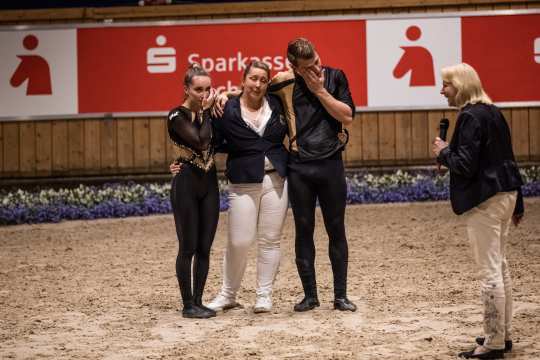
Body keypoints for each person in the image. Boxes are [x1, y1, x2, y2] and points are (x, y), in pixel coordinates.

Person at [215, 38, 356, 312]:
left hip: (331, 164)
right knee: (303, 230)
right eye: (308, 66)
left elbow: (347, 116)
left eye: (316, 60)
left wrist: (320, 91)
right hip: (299, 166)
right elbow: (255, 92)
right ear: (294, 67)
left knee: (336, 229)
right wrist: (228, 94)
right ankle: (310, 296)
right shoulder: (282, 82)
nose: (317, 68)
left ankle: (340, 296)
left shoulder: (336, 76)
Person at [172, 61, 289, 313]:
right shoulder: (224, 109)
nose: (257, 84)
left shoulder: (278, 104)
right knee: (239, 241)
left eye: (262, 80)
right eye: (253, 78)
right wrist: (180, 161)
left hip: (276, 179)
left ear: (268, 83)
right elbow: (206, 141)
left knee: (270, 240)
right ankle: (228, 294)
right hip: (243, 180)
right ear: (243, 80)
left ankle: (264, 295)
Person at [432, 63, 524, 359]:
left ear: (459, 86)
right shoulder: (492, 111)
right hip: (505, 194)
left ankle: (494, 342)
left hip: (485, 199)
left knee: (489, 272)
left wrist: (443, 152)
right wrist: (518, 202)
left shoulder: (470, 116)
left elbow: (465, 165)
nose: (442, 90)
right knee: (501, 266)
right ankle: (503, 334)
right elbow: (508, 158)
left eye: (446, 84)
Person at [168, 63, 219, 319]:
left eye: (208, 89)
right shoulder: (176, 116)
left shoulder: (212, 112)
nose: (203, 94)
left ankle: (199, 300)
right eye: (198, 89)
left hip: (210, 183)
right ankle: (188, 304)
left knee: (204, 247)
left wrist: (220, 105)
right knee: (187, 246)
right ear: (186, 88)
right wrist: (207, 113)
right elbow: (201, 142)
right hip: (186, 183)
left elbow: (222, 140)